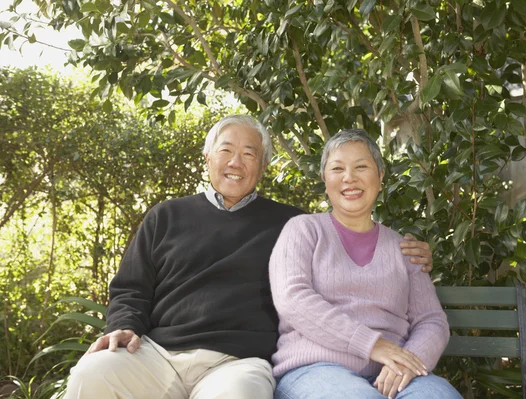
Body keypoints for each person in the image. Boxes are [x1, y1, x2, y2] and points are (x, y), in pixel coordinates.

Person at [64, 116, 435, 399]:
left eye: (249, 153)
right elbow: (131, 286)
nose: (236, 162)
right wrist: (124, 324)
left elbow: (351, 237)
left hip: (236, 363)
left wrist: (411, 252)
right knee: (91, 374)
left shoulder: (292, 224)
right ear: (207, 156)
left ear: (263, 165)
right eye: (226, 150)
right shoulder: (166, 215)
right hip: (158, 353)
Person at [269, 129, 461, 399]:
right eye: (337, 168)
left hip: (393, 372)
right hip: (315, 369)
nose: (349, 177)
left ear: (380, 177)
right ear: (325, 179)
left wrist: (408, 360)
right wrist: (373, 345)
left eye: (361, 166)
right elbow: (292, 298)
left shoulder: (404, 248)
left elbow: (431, 320)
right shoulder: (303, 230)